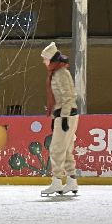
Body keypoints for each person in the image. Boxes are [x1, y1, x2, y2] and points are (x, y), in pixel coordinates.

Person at [40, 42, 79, 197]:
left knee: (56, 149)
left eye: (45, 59)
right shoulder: (57, 72)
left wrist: (63, 118)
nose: (44, 62)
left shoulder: (60, 73)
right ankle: (71, 180)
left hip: (66, 115)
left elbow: (68, 96)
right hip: (66, 115)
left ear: (51, 59)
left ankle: (56, 181)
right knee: (66, 149)